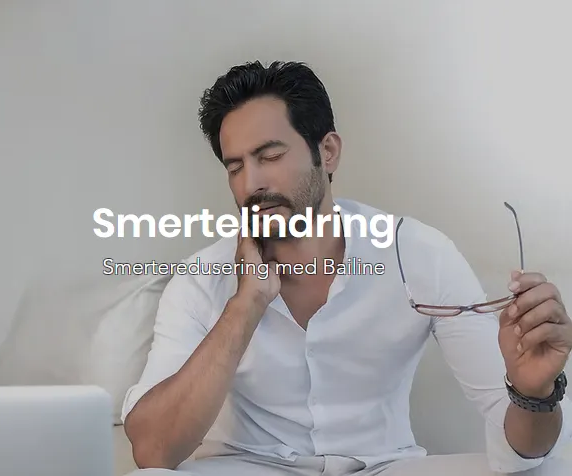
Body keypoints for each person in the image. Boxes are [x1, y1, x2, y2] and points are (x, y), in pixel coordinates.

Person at [121, 61, 572, 475]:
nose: (251, 183)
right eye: (235, 167)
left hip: (384, 467)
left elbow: (527, 447)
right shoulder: (202, 277)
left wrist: (533, 393)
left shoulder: (416, 253)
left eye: (270, 156)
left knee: (545, 471)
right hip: (249, 467)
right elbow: (153, 451)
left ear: (328, 151)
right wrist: (246, 304)